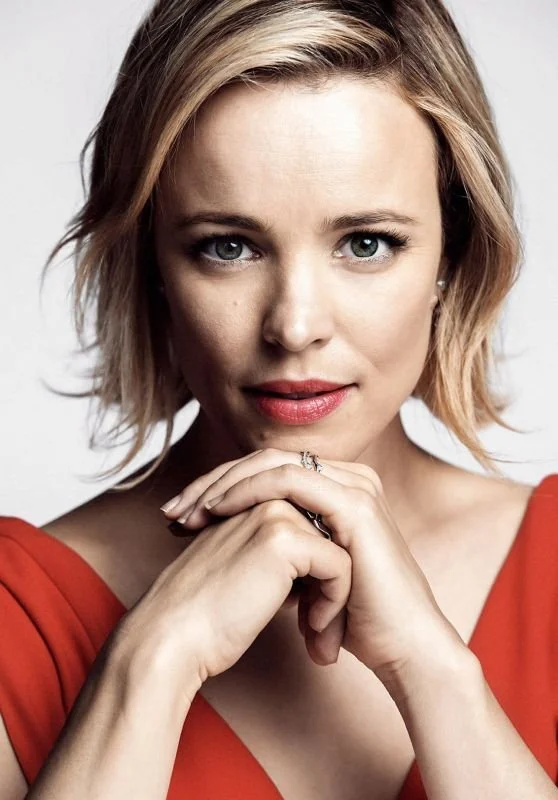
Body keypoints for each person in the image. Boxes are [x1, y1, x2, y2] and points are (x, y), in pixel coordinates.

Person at [1, 0, 557, 797]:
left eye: (366, 243)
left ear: (452, 257)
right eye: (227, 247)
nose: (294, 326)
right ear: (153, 266)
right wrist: (149, 665)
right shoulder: (19, 616)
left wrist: (434, 670)